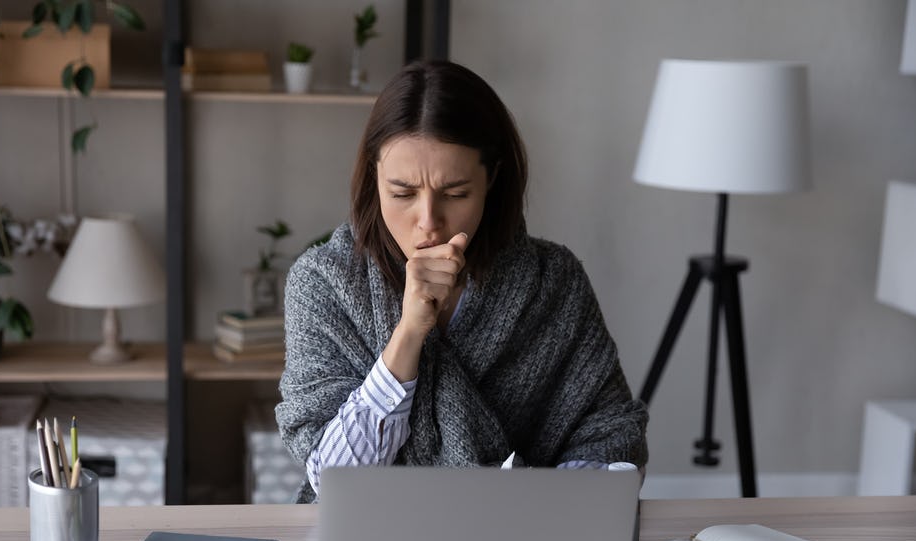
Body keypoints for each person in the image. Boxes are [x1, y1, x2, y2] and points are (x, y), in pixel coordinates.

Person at [276, 60, 647, 503]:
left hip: (524, 537)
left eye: (455, 194)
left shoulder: (554, 281)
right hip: (376, 539)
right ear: (373, 176)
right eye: (402, 193)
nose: (428, 222)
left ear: (492, 178)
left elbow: (610, 433)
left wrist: (562, 506)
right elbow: (333, 482)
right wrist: (409, 334)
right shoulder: (322, 283)